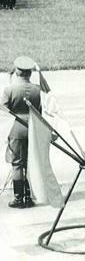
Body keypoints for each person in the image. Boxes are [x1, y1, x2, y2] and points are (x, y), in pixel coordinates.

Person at [3, 56, 42, 208]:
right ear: (30, 73)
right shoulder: (37, 90)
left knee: (17, 164)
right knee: (30, 163)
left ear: (16, 72)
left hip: (16, 129)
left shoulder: (9, 89)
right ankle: (28, 196)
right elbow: (39, 111)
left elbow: (3, 112)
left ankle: (19, 199)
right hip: (32, 128)